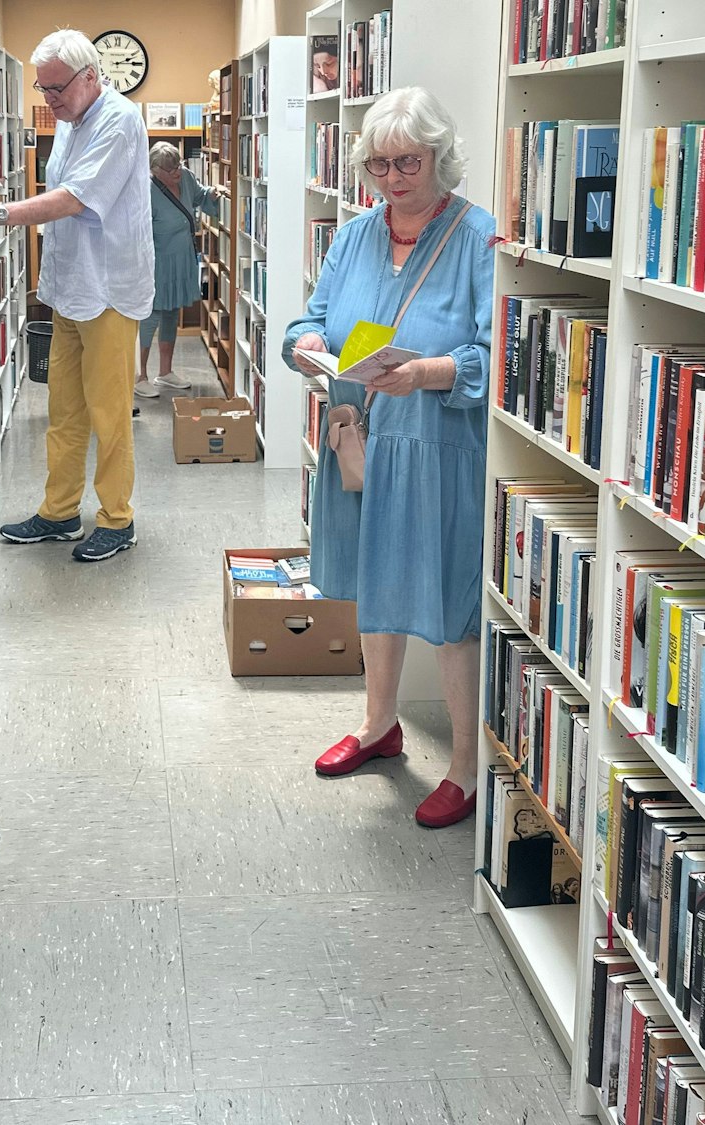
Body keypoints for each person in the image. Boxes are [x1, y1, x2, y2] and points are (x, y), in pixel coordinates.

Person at [282, 87, 495, 829]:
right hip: (361, 439)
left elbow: (497, 355)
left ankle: (466, 768)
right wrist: (303, 342)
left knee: (450, 601)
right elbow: (312, 315)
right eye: (378, 164)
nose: (392, 177)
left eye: (407, 161)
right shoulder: (356, 234)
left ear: (440, 155)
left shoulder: (477, 238)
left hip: (438, 448)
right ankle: (380, 724)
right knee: (376, 588)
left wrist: (427, 373)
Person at [0, 28, 153, 564]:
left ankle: (116, 519)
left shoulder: (120, 121)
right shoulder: (69, 119)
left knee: (109, 414)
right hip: (68, 287)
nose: (50, 100)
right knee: (63, 409)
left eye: (57, 88)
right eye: (43, 90)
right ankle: (59, 512)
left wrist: (1, 214)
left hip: (108, 289)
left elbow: (73, 198)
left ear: (90, 77)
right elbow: (59, 187)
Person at [135, 142, 209, 400]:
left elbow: (201, 197)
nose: (177, 171)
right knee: (150, 315)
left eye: (178, 164)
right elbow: (137, 230)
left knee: (171, 312)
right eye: (170, 168)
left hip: (182, 258)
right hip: (157, 261)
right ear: (155, 170)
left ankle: (165, 372)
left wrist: (221, 195)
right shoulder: (145, 188)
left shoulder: (186, 177)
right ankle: (139, 376)